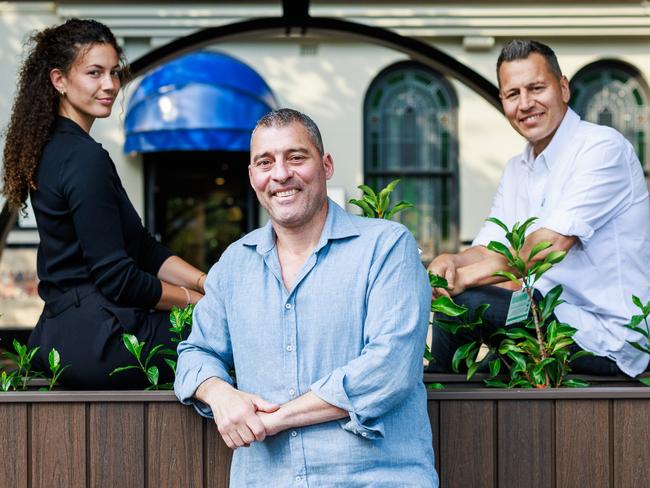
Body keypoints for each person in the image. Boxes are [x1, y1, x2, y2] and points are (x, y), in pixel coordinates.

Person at [175, 108, 438, 487]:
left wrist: (276, 419)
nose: (280, 174)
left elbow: (390, 367)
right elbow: (195, 352)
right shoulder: (234, 265)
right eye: (265, 162)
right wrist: (219, 393)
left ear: (326, 165)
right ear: (252, 178)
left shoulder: (386, 247)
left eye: (296, 157)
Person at [1, 19, 206, 388]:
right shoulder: (83, 158)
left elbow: (142, 247)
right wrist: (198, 303)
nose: (110, 84)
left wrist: (207, 283)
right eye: (94, 73)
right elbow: (118, 279)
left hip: (62, 336)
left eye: (114, 72)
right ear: (58, 80)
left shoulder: (51, 151)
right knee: (234, 330)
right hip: (104, 340)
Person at [428, 40, 650, 377]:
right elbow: (489, 246)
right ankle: (435, 395)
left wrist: (465, 279)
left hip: (608, 338)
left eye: (536, 88)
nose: (526, 103)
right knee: (469, 356)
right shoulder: (518, 167)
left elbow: (549, 247)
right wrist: (451, 262)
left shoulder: (602, 148)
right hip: (545, 319)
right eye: (513, 94)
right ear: (503, 101)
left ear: (563, 88)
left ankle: (433, 393)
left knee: (465, 303)